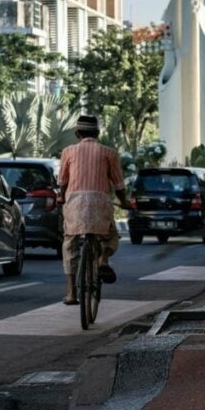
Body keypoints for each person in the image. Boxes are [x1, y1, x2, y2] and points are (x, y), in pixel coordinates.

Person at [57, 114, 128, 306]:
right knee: (111, 236)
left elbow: (62, 182)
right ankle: (103, 259)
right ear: (97, 133)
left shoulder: (68, 152)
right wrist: (125, 202)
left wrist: (61, 197)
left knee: (70, 243)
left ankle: (71, 293)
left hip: (75, 204)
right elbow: (119, 185)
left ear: (77, 133)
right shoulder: (109, 153)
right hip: (100, 204)